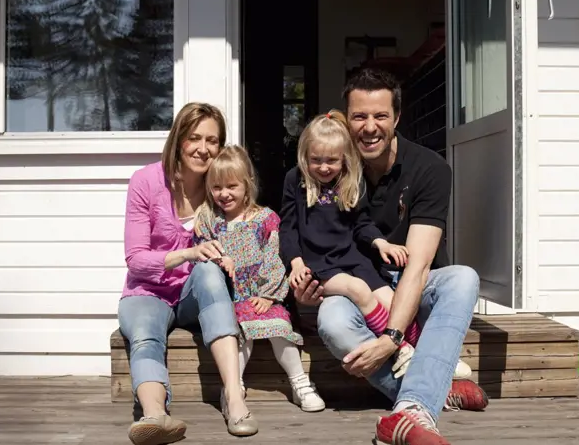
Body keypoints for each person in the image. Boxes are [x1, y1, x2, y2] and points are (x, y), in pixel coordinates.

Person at [290, 67, 489, 445]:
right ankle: (429, 396)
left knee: (463, 278)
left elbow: (418, 265)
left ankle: (411, 407)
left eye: (380, 116)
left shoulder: (430, 168)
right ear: (345, 120)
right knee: (332, 321)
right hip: (357, 285)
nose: (369, 127)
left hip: (413, 286)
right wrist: (306, 284)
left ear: (397, 117)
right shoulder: (330, 169)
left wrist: (391, 338)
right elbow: (305, 235)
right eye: (359, 116)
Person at [279, 109, 470, 379]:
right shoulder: (295, 181)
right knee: (357, 288)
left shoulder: (350, 180)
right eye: (316, 160)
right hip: (317, 264)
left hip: (352, 257)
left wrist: (381, 243)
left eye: (331, 160)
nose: (323, 167)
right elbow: (287, 228)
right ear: (304, 157)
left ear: (344, 159)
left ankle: (430, 353)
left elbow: (361, 222)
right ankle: (401, 348)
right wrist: (295, 262)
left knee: (394, 299)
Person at [117, 103, 258, 445]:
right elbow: (136, 260)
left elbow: (248, 236)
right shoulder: (146, 181)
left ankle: (234, 398)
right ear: (178, 139)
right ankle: (156, 416)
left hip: (197, 296)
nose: (203, 148)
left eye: (212, 140)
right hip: (148, 291)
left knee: (209, 271)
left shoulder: (222, 187)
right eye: (194, 137)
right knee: (145, 333)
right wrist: (188, 253)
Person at [193, 145, 326, 413]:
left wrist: (268, 294)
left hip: (264, 295)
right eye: (217, 187)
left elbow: (274, 257)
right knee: (236, 336)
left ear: (247, 184)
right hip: (231, 298)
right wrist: (220, 259)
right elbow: (202, 252)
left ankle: (299, 382)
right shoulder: (211, 221)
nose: (224, 194)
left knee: (278, 326)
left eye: (232, 186)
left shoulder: (265, 219)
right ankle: (233, 388)